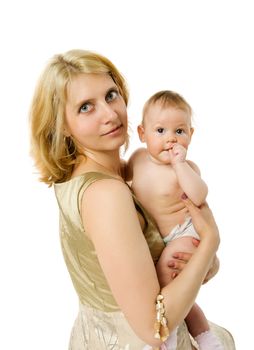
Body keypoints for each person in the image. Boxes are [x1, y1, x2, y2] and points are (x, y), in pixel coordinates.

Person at [29, 49, 235, 350]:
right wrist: (210, 242)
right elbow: (156, 328)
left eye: (111, 95)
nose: (110, 114)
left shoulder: (92, 174)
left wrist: (202, 264)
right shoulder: (106, 195)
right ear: (63, 126)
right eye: (86, 107)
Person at [127, 90, 226, 349]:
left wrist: (180, 166)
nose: (171, 139)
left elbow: (199, 194)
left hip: (185, 233)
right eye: (160, 131)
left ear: (190, 136)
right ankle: (206, 337)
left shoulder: (186, 169)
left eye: (179, 132)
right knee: (179, 294)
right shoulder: (137, 159)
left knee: (165, 276)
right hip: (158, 238)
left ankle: (166, 337)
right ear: (142, 133)